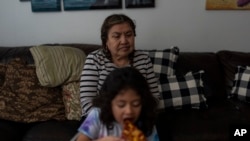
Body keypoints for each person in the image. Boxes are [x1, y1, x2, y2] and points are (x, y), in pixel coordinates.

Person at [79, 14, 159, 122]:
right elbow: (87, 101)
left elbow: (153, 97)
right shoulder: (94, 59)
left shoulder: (143, 59)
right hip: (100, 119)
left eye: (128, 35)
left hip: (136, 117)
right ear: (106, 41)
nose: (124, 41)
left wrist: (134, 117)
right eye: (116, 36)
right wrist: (113, 122)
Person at [73, 67, 159, 141]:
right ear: (109, 103)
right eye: (121, 105)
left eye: (136, 104)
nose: (129, 111)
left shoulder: (146, 122)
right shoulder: (97, 115)